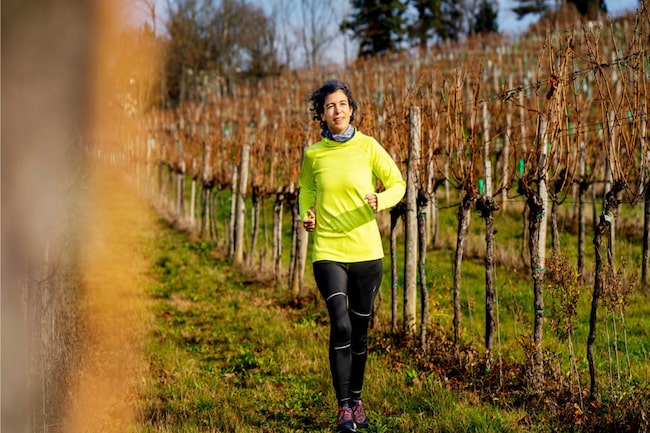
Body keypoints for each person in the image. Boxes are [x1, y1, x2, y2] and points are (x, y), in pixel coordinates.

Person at [298, 80, 406, 432]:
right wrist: (306, 214)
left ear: (352, 108)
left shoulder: (368, 147)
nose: (338, 111)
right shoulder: (314, 154)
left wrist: (382, 200)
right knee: (340, 324)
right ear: (322, 114)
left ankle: (357, 398)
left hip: (366, 251)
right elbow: (306, 189)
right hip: (327, 249)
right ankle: (344, 408)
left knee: (359, 331)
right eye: (330, 106)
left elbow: (397, 183)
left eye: (343, 104)